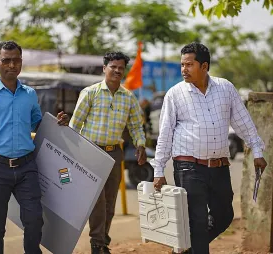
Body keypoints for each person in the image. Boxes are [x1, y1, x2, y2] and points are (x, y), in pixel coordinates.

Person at [151, 42, 267, 254]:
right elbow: (165, 134)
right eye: (182, 65)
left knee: (224, 216)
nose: (184, 69)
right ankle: (195, 246)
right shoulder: (175, 94)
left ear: (204, 66)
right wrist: (158, 170)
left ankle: (189, 247)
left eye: (189, 64)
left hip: (220, 166)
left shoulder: (226, 89)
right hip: (188, 166)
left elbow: (243, 122)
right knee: (197, 219)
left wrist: (257, 150)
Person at [0, 41, 68, 254]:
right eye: (6, 60)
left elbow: (37, 123)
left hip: (26, 167)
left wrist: (57, 123)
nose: (12, 65)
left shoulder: (29, 94)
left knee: (34, 219)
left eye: (16, 60)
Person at [69, 51, 147, 254]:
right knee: (97, 202)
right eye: (113, 67)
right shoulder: (90, 92)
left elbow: (136, 126)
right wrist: (72, 154)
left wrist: (140, 145)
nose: (117, 71)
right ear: (104, 68)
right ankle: (97, 243)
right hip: (91, 152)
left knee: (110, 202)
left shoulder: (128, 98)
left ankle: (103, 242)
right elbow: (74, 125)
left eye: (121, 68)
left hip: (114, 154)